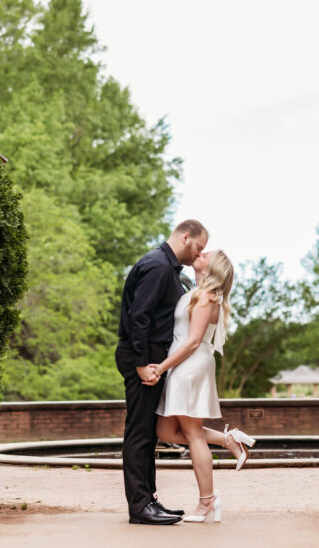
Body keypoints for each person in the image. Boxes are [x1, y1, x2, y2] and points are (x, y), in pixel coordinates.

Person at [148, 249, 257, 523]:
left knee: (193, 433)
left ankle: (207, 501)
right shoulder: (197, 292)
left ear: (211, 268)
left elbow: (193, 341)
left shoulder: (206, 296)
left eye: (206, 253)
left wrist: (161, 367)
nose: (201, 252)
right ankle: (228, 439)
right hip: (184, 365)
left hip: (190, 366)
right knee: (165, 430)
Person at [116, 220, 209, 525]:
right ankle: (140, 507)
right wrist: (143, 364)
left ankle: (149, 500)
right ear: (186, 237)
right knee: (140, 432)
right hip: (144, 358)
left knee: (147, 433)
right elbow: (138, 317)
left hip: (154, 359)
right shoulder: (157, 267)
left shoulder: (171, 271)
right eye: (198, 246)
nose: (199, 253)